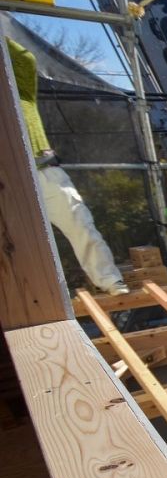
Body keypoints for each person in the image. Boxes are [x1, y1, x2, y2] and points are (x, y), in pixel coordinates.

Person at [7, 37, 128, 296]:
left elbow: (24, 58)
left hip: (44, 171)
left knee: (79, 223)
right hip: (8, 180)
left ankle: (109, 280)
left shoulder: (21, 93)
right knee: (15, 244)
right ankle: (30, 297)